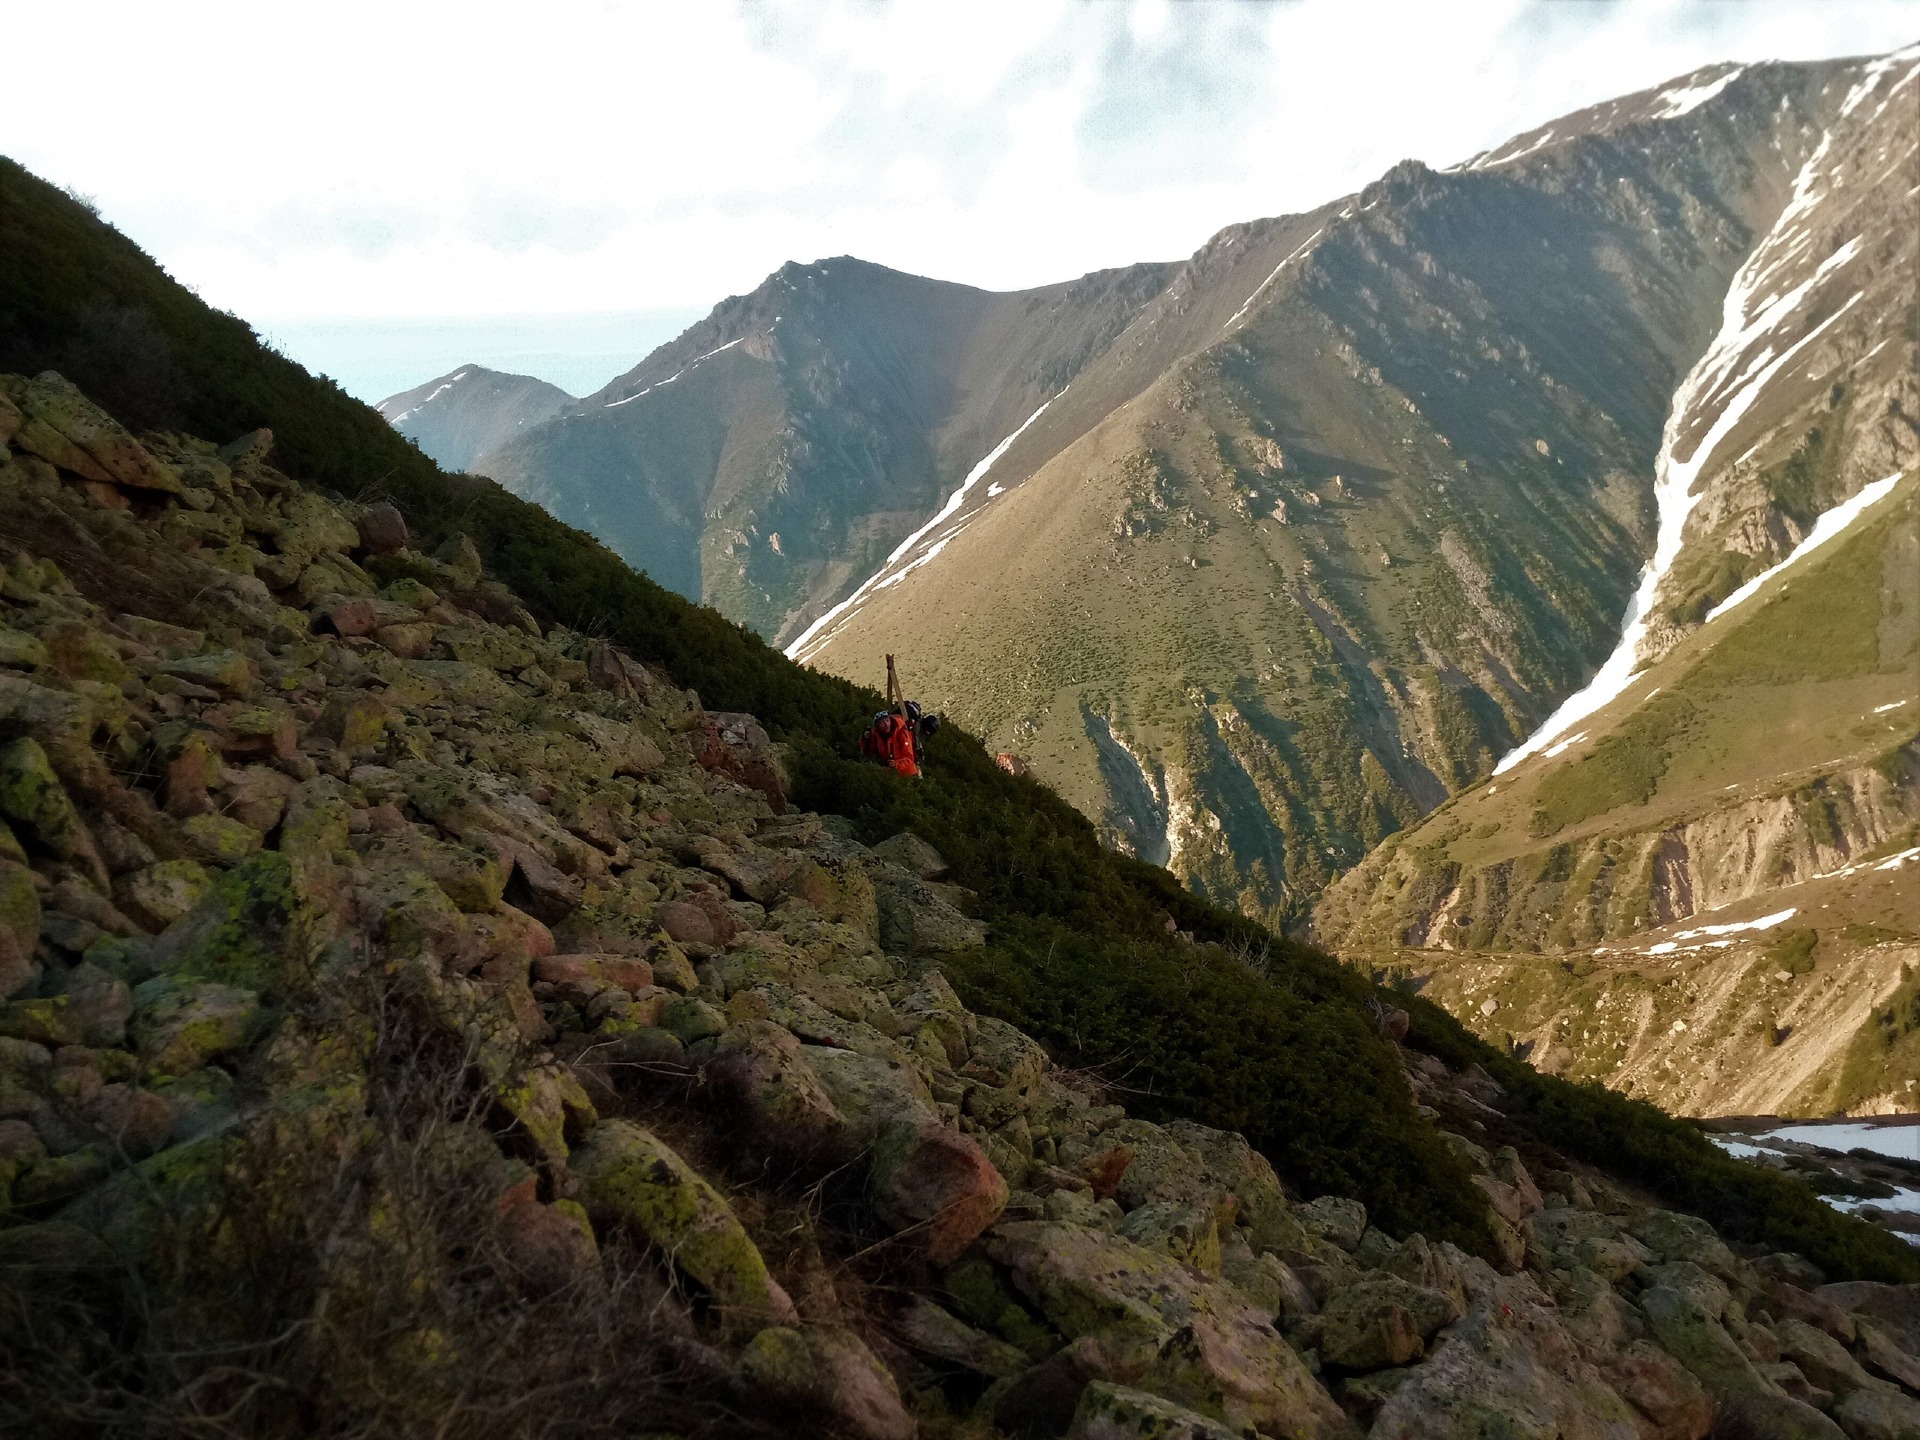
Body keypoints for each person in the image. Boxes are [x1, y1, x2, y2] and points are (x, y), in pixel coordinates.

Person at [858, 655, 939, 778]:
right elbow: (867, 751)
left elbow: (909, 758)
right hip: (890, 773)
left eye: (886, 721)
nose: (885, 724)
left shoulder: (902, 732)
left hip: (905, 773)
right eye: (882, 722)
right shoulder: (877, 733)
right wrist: (865, 738)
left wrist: (895, 765)